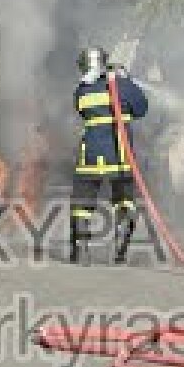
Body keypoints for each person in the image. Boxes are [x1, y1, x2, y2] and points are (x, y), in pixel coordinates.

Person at [70, 46, 149, 264]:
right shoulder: (123, 85)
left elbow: (81, 110)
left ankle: (81, 250)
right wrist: (125, 80)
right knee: (125, 200)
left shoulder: (81, 90)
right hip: (120, 155)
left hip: (91, 155)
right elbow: (141, 109)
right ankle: (121, 244)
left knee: (82, 202)